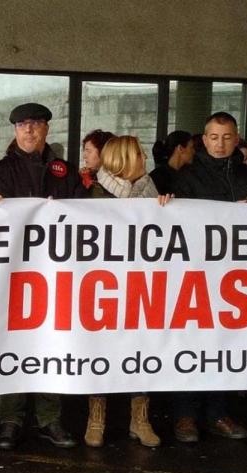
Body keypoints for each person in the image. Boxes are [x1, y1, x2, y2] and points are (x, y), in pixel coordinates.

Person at [0, 102, 83, 450]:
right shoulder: (1, 170)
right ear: (14, 130)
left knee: (51, 342)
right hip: (15, 273)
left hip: (55, 272)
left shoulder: (64, 171)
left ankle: (49, 418)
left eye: (35, 124)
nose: (28, 130)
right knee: (13, 342)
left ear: (46, 130)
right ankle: (9, 418)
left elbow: (85, 216)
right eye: (22, 124)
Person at [171, 111, 247, 442]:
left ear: (236, 139)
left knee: (226, 346)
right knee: (192, 345)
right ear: (203, 139)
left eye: (226, 137)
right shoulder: (186, 178)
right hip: (195, 275)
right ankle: (185, 416)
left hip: (237, 278)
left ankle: (219, 412)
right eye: (213, 137)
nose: (220, 143)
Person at [80, 135, 161, 447]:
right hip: (101, 285)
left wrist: (166, 209)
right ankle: (95, 417)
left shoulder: (151, 193)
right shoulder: (92, 193)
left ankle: (140, 419)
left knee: (140, 348)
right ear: (126, 158)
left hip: (139, 286)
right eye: (139, 153)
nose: (144, 156)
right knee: (100, 348)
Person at [149, 130, 194, 196]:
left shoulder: (191, 174)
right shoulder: (157, 178)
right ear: (180, 148)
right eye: (191, 147)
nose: (194, 151)